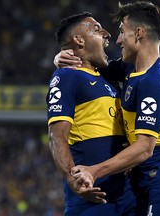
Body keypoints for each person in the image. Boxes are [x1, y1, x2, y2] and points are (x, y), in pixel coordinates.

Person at [56, 2, 160, 215]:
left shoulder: (154, 82)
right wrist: (62, 56)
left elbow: (145, 148)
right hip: (158, 180)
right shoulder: (131, 68)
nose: (117, 40)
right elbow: (92, 64)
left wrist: (94, 171)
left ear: (138, 34)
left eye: (122, 32)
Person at [46, 12, 137, 216]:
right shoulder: (67, 76)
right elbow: (56, 136)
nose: (107, 34)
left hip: (128, 196)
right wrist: (72, 180)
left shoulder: (108, 79)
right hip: (93, 201)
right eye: (96, 29)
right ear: (78, 39)